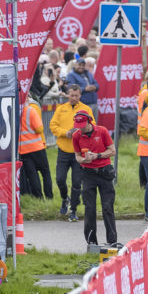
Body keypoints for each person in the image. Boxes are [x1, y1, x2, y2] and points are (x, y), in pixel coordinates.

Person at [72, 111, 118, 247]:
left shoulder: (102, 131)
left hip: (104, 172)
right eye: (78, 126)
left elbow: (112, 151)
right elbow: (77, 156)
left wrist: (97, 156)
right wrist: (83, 160)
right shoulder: (76, 136)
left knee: (107, 207)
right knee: (89, 208)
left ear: (89, 121)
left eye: (83, 125)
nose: (81, 128)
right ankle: (91, 242)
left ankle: (112, 241)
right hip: (88, 174)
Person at [50, 85, 93, 220]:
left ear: (80, 95)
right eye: (71, 95)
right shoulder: (61, 109)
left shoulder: (86, 109)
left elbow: (92, 126)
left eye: (76, 95)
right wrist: (65, 133)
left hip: (79, 152)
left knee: (76, 183)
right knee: (60, 179)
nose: (74, 98)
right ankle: (65, 198)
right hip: (63, 150)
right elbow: (53, 125)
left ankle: (73, 210)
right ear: (67, 95)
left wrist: (79, 132)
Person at [17, 100, 52, 200]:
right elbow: (39, 129)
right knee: (45, 173)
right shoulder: (30, 110)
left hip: (23, 150)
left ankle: (38, 198)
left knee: (32, 175)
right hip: (37, 148)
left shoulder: (13, 112)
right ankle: (49, 197)